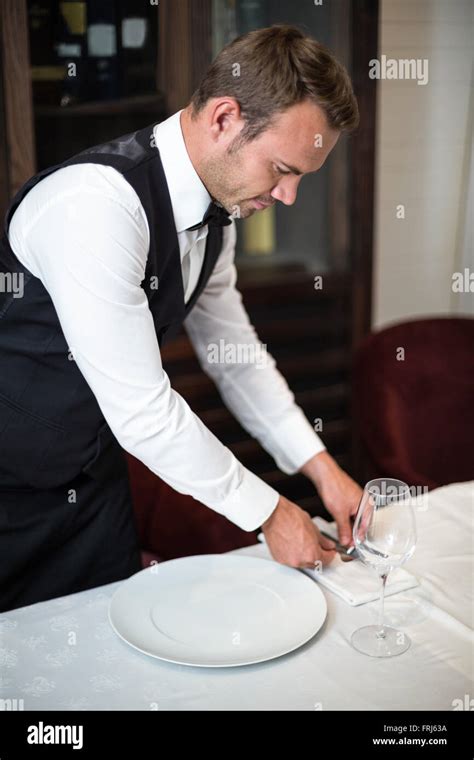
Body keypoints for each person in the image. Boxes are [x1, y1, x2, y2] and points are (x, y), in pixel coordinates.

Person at [0, 24, 362, 612]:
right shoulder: (96, 205)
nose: (289, 196)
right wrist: (270, 511)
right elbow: (144, 412)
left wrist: (320, 468)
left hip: (93, 487)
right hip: (7, 491)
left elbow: (236, 359)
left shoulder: (219, 218)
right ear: (224, 118)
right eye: (282, 169)